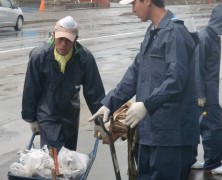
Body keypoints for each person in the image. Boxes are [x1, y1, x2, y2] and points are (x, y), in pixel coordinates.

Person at [89, 0, 199, 179]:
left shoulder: (175, 33)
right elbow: (135, 73)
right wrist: (110, 103)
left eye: (133, 3)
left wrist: (147, 105)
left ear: (147, 1)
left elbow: (176, 79)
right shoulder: (153, 32)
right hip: (149, 134)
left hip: (170, 137)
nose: (132, 9)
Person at [21, 16, 105, 151]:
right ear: (54, 35)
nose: (63, 45)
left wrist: (99, 120)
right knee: (54, 160)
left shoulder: (84, 58)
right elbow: (31, 89)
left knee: (68, 158)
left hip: (70, 117)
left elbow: (94, 91)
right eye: (60, 39)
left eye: (68, 40)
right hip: (47, 115)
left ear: (76, 40)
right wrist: (31, 118)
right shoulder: (39, 57)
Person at [192, 4, 222, 174]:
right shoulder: (205, 38)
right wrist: (200, 94)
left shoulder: (214, 37)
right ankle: (213, 163)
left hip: (210, 88)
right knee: (213, 125)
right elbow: (197, 67)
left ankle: (191, 159)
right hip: (205, 91)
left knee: (197, 125)